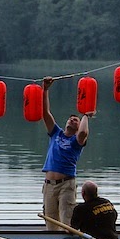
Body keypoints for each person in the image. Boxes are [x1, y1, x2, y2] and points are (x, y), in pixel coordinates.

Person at [40, 76, 91, 228]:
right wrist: (45, 90)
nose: (72, 120)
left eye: (75, 120)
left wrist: (86, 116)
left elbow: (83, 133)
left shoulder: (76, 141)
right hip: (49, 185)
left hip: (66, 185)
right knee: (50, 222)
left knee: (67, 222)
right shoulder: (56, 133)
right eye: (70, 119)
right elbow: (45, 113)